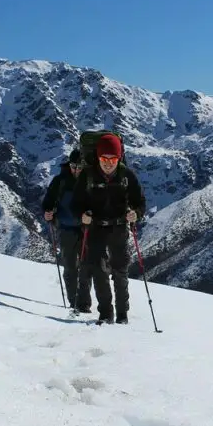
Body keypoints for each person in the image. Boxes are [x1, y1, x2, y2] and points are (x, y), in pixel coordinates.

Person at [71, 133, 146, 324]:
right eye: (104, 158)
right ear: (98, 157)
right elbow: (75, 204)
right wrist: (82, 215)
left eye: (112, 159)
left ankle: (122, 314)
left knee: (120, 270)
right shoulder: (87, 176)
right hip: (95, 228)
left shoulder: (127, 176)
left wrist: (136, 213)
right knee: (99, 270)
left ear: (119, 158)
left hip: (119, 227)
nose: (108, 163)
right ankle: (106, 313)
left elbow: (140, 202)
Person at [42, 148, 92, 312]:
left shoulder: (90, 181)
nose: (76, 170)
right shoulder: (60, 181)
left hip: (85, 229)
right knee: (70, 266)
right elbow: (48, 201)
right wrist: (48, 212)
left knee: (85, 267)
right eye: (73, 166)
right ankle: (74, 302)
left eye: (79, 167)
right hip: (65, 228)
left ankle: (84, 304)